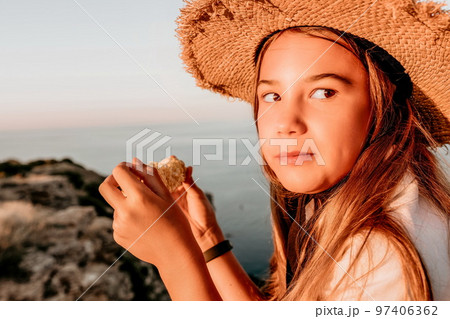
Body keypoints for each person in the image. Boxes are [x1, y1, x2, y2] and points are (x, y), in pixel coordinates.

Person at [98, 0, 450, 300]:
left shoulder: (381, 258)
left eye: (323, 92)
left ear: (385, 109)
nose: (285, 123)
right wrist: (205, 238)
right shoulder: (352, 205)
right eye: (271, 96)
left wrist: (174, 257)